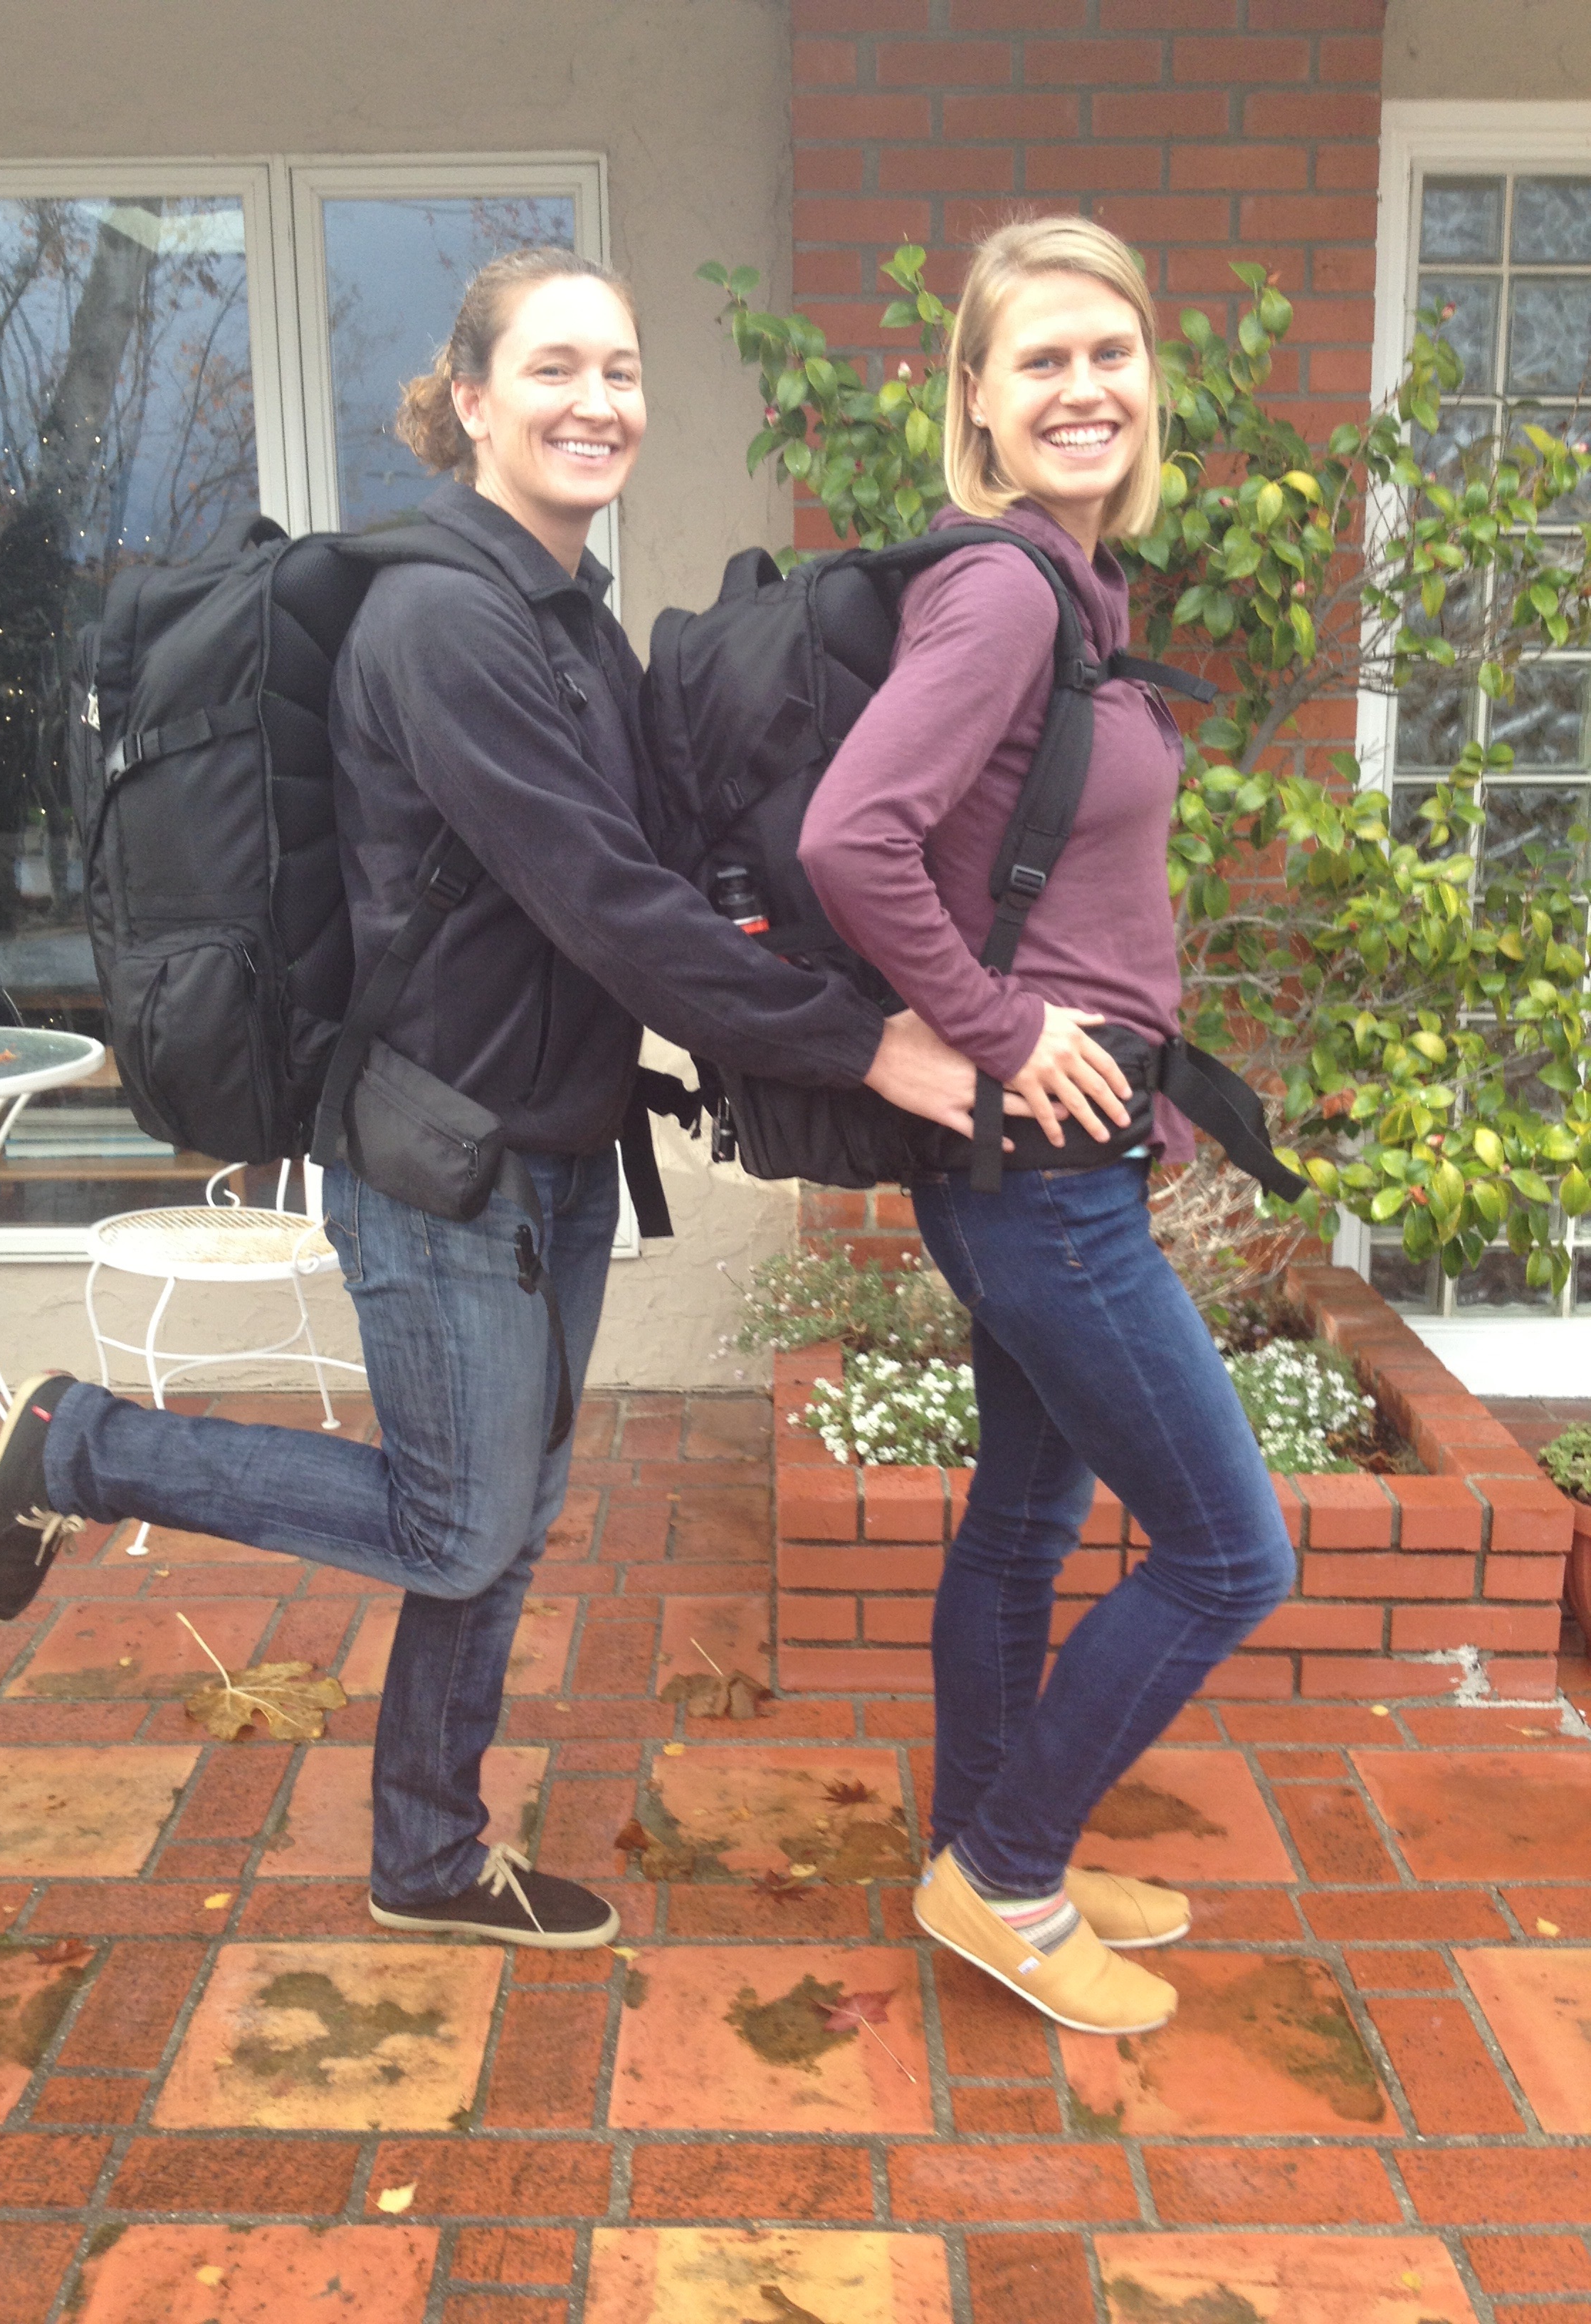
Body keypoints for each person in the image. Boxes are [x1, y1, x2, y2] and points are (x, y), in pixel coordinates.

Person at [0, 246, 992, 1953]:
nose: (599, 402)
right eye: (556, 368)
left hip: (552, 1144)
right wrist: (862, 1046)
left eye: (622, 370)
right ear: (471, 398)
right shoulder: (444, 621)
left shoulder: (565, 614)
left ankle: (428, 1853)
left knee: (500, 1534)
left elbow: (657, 867)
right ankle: (86, 1446)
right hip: (444, 1160)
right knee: (455, 1524)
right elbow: (609, 904)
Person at [799, 216, 1296, 2036]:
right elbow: (849, 838)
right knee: (1234, 1553)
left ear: (1150, 379)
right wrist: (1003, 1029)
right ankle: (1006, 1874)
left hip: (1054, 1171)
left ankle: (987, 1856)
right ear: (979, 403)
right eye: (1043, 361)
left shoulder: (1082, 595)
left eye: (1112, 352)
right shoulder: (1009, 592)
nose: (1085, 388)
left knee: (1021, 1523)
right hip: (1040, 1181)